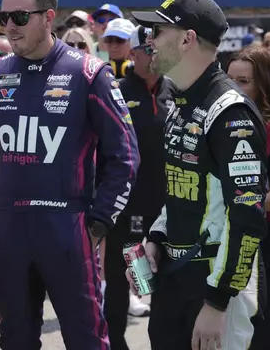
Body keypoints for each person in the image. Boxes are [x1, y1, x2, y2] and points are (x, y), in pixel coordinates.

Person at [0, 0, 139, 349]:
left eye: (19, 17)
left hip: (66, 225)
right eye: (3, 17)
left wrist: (99, 220)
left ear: (48, 17)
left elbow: (124, 155)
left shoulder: (88, 72)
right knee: (15, 339)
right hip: (7, 228)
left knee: (86, 339)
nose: (10, 26)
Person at [131, 0, 268, 350]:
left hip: (214, 283)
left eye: (156, 32)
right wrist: (157, 239)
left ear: (188, 38)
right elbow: (181, 189)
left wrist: (217, 302)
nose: (148, 41)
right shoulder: (179, 101)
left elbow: (248, 216)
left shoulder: (230, 112)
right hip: (175, 280)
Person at [103, 25, 176, 350]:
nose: (155, 53)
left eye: (157, 47)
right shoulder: (116, 90)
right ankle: (115, 343)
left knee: (165, 282)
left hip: (170, 206)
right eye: (148, 48)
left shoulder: (175, 89)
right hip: (127, 206)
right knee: (122, 280)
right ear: (132, 54)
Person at [226, 46, 270, 350]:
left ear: (264, 84)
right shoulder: (223, 120)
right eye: (229, 79)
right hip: (228, 242)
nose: (233, 87)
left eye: (243, 81)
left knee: (262, 336)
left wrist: (240, 207)